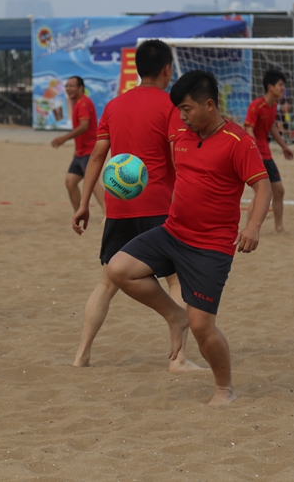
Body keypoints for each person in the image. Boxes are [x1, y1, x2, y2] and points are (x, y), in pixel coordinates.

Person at [106, 70, 272, 405]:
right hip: (173, 232)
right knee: (118, 268)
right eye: (179, 110)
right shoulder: (182, 135)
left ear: (209, 105)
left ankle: (224, 389)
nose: (182, 117)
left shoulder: (238, 142)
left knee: (202, 327)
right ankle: (174, 315)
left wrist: (253, 226)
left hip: (211, 247)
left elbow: (263, 187)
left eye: (186, 109)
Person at [71, 39, 201, 371]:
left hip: (118, 206)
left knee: (107, 282)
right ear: (167, 70)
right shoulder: (170, 107)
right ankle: (179, 359)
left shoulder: (114, 105)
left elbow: (97, 157)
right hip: (158, 205)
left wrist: (84, 203)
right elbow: (178, 158)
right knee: (175, 280)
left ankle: (82, 355)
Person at [244, 69, 294, 233]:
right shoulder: (256, 105)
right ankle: (248, 229)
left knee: (279, 191)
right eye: (280, 85)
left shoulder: (273, 106)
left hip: (266, 155)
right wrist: (254, 151)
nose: (283, 88)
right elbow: (248, 128)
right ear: (270, 87)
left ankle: (279, 227)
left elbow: (271, 127)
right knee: (262, 193)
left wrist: (284, 146)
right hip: (256, 155)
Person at [51, 76, 105, 213]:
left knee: (92, 182)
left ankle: (108, 213)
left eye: (72, 86)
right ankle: (79, 214)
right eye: (67, 86)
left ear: (81, 88)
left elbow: (84, 126)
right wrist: (76, 148)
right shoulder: (77, 103)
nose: (68, 89)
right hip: (81, 151)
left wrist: (64, 138)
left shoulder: (83, 103)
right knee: (70, 182)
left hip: (90, 150)